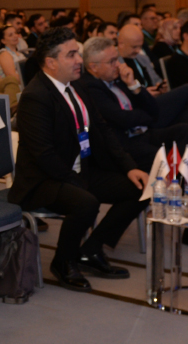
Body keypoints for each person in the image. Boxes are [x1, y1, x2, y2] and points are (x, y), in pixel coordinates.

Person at [7, 30, 145, 291]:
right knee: (85, 201)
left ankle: (90, 250)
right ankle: (63, 261)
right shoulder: (36, 96)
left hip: (79, 170)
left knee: (139, 188)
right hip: (43, 180)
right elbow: (44, 156)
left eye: (78, 54)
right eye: (71, 55)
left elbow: (102, 129)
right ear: (51, 62)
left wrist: (130, 168)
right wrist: (78, 182)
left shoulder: (77, 85)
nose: (79, 60)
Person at [74, 37, 188, 250]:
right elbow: (123, 119)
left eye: (117, 59)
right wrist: (145, 116)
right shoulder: (91, 87)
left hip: (141, 133)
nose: (118, 65)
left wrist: (134, 85)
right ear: (93, 66)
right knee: (170, 159)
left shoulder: (117, 79)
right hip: (124, 145)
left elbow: (153, 110)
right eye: (112, 61)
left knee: (186, 129)